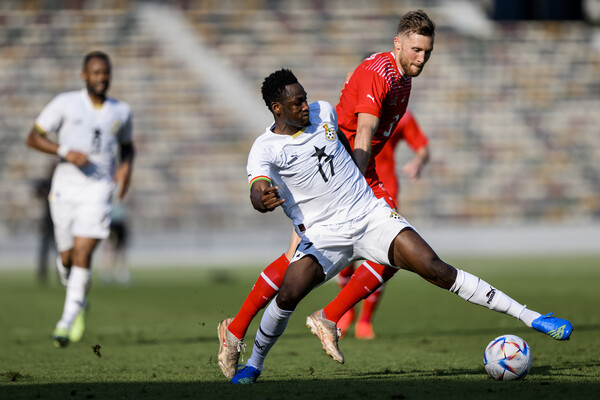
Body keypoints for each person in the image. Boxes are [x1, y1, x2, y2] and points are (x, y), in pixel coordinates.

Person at [226, 68, 571, 384]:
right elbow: (257, 189)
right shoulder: (265, 148)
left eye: (304, 97)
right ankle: (254, 365)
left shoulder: (324, 111)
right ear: (277, 108)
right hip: (324, 235)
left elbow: (344, 152)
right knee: (288, 293)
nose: (305, 105)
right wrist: (263, 199)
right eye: (296, 102)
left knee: (436, 268)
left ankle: (532, 317)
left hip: (370, 216)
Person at [218, 9, 435, 377]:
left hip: (350, 173)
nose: (422, 58)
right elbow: (361, 125)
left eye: (426, 52)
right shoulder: (373, 84)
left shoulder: (391, 86)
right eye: (417, 50)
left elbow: (364, 100)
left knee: (297, 261)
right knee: (391, 254)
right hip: (352, 176)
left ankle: (239, 329)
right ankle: (327, 317)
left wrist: (416, 160)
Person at [25, 50, 134, 347]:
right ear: (84, 75)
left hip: (98, 190)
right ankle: (78, 299)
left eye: (105, 72)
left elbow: (127, 147)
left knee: (84, 252)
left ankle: (66, 321)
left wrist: (125, 171)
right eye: (96, 73)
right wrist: (64, 152)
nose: (101, 77)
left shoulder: (121, 111)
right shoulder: (65, 103)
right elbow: (33, 137)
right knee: (66, 259)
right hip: (64, 189)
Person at [337, 109, 429, 339]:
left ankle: (365, 320)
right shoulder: (339, 116)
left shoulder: (399, 114)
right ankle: (346, 312)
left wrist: (419, 160)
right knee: (345, 255)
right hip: (351, 192)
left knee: (381, 258)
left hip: (384, 191)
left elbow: (422, 146)